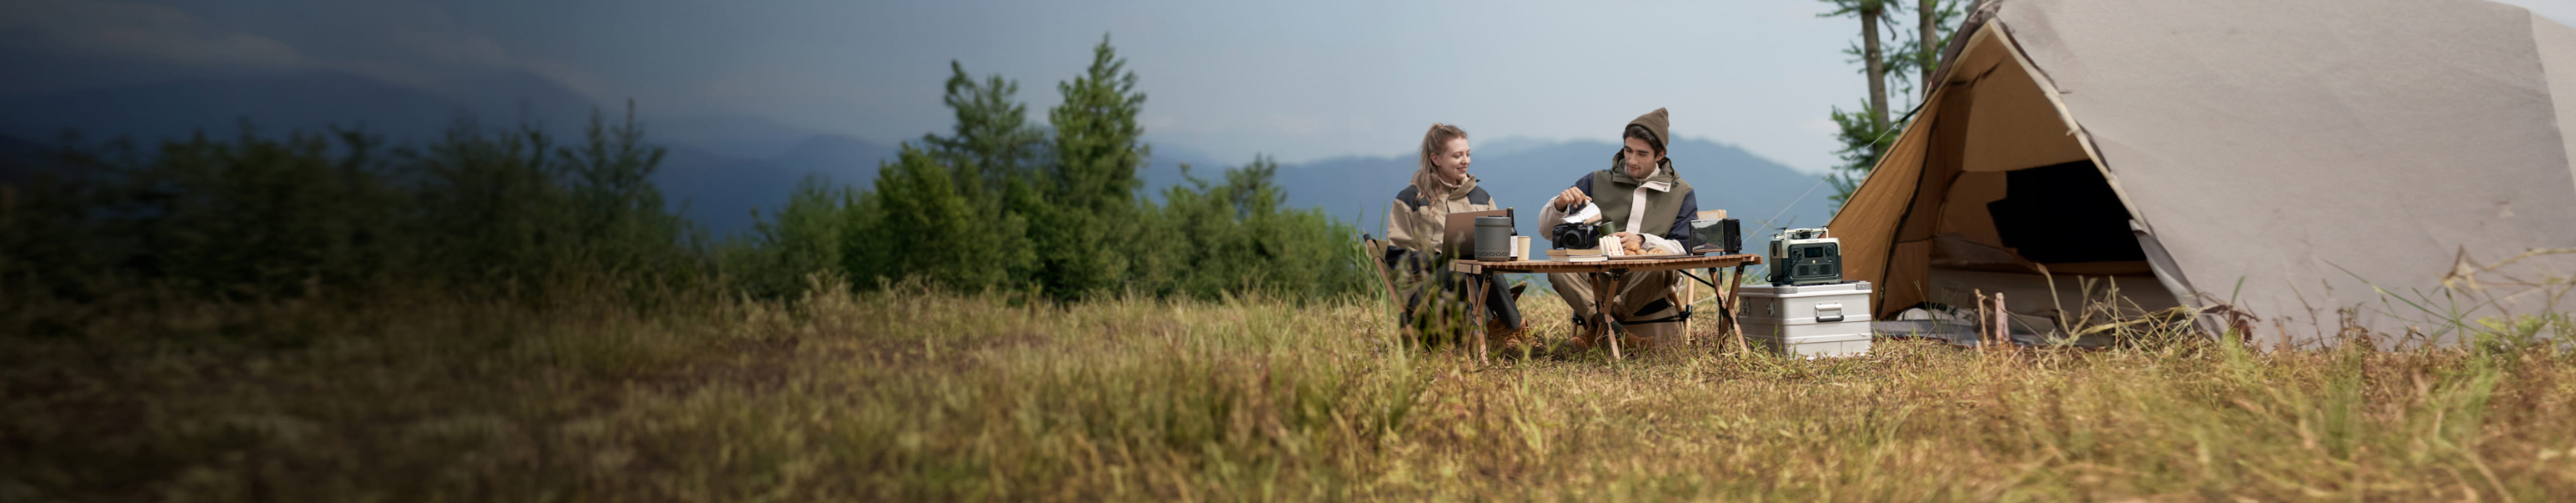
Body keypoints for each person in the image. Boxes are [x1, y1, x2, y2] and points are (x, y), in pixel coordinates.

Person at [1537, 108, 1701, 349]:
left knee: (1663, 266)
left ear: (1660, 155)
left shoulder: (1681, 192)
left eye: (1642, 154)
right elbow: (1547, 233)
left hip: (1646, 279)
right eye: (1628, 150)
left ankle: (1601, 328)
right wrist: (1559, 205)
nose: (1632, 160)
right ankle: (1619, 334)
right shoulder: (1595, 181)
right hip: (1600, 276)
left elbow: (1685, 248)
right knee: (1558, 269)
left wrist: (1643, 240)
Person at [1384, 123, 1526, 346]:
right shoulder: (1411, 199)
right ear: (1436, 159)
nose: (1466, 161)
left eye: (1468, 154)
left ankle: (1510, 328)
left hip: (1470, 283)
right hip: (1424, 292)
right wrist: (1440, 259)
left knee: (1481, 264)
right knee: (1460, 266)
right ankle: (1508, 327)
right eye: (1457, 156)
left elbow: (1498, 249)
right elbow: (1396, 257)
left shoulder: (1481, 197)